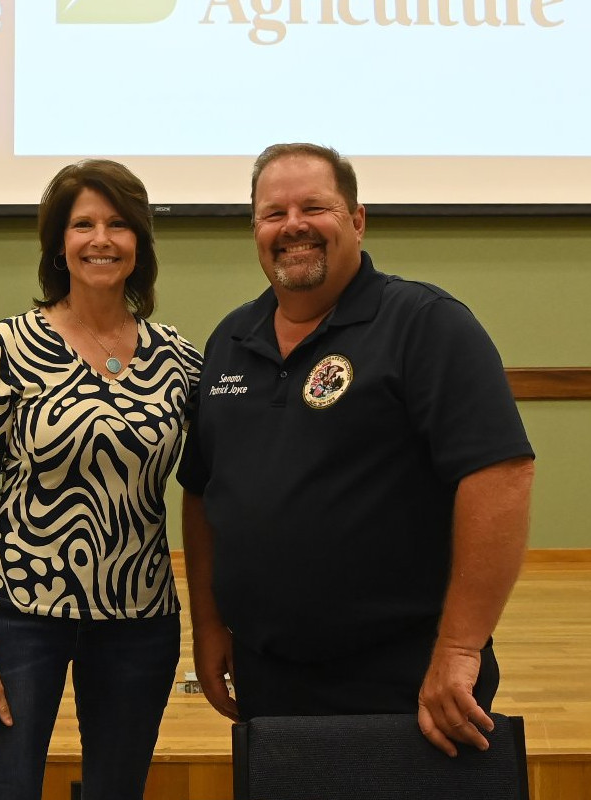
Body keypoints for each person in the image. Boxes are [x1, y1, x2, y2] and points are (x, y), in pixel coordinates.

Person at [177, 143, 535, 758]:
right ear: (255, 230)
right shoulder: (230, 340)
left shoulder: (426, 324)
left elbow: (501, 476)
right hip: (270, 677)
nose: (293, 226)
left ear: (357, 220)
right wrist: (208, 624)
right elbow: (204, 492)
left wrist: (459, 650)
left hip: (405, 676)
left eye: (315, 206)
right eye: (273, 212)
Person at [0, 159, 202, 800]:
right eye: (83, 223)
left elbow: (225, 477)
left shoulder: (178, 359)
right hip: (18, 618)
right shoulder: (6, 346)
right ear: (58, 244)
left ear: (139, 243)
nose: (101, 239)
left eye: (119, 224)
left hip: (139, 621)